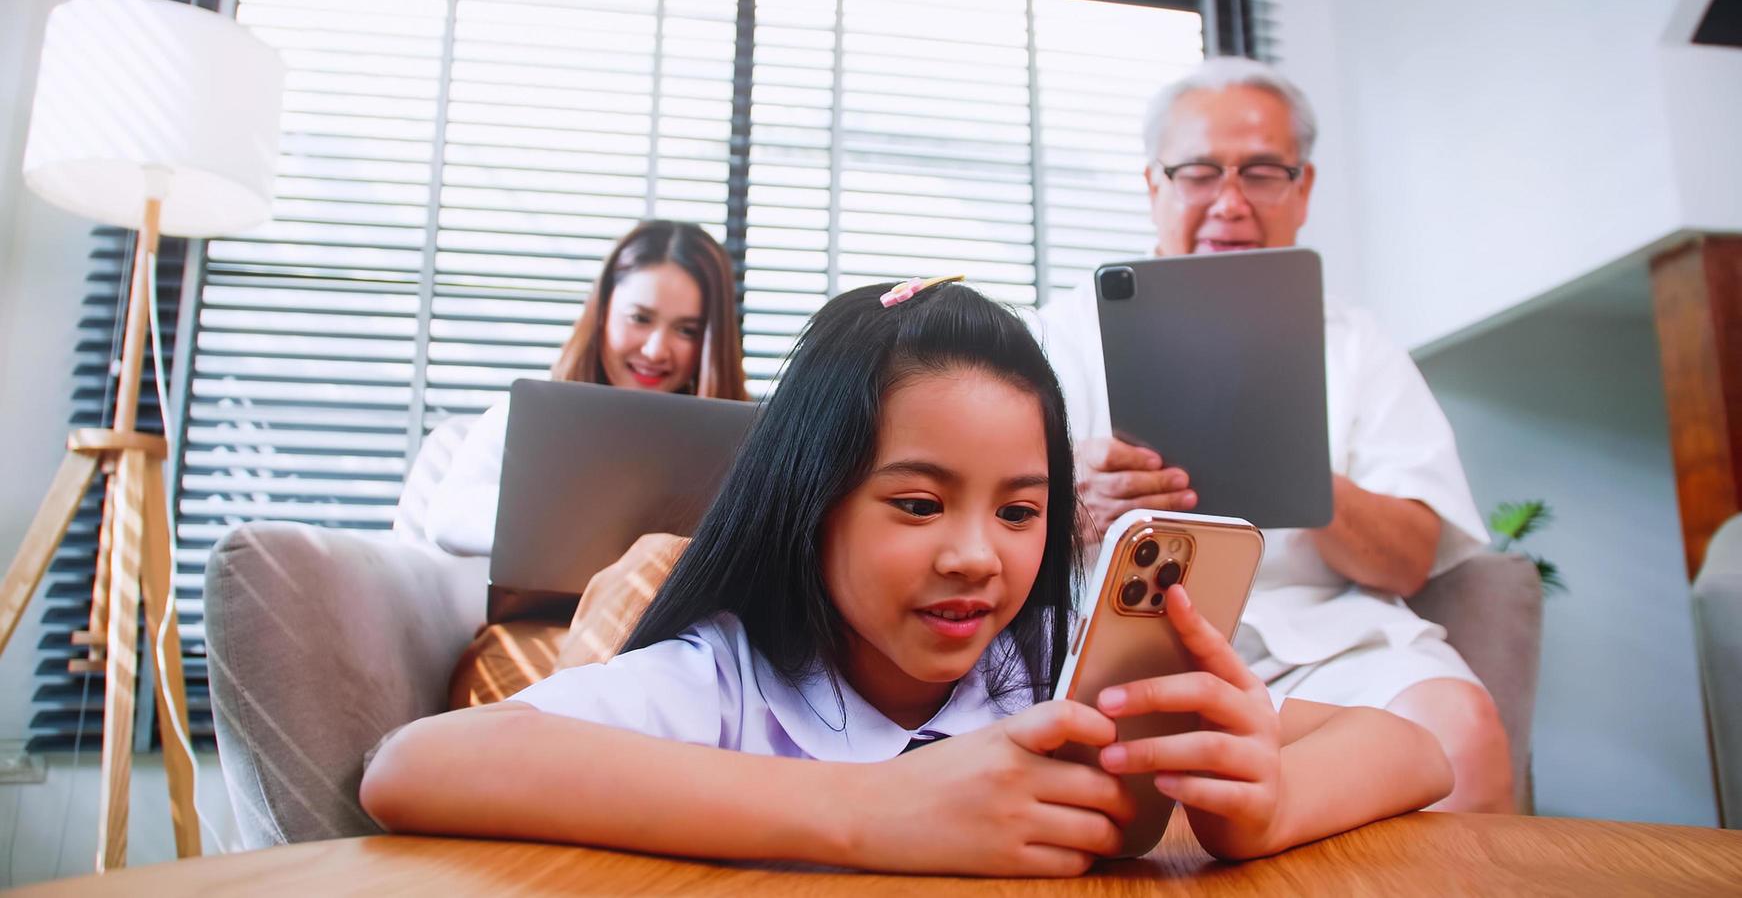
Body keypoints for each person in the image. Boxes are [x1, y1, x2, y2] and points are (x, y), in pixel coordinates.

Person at [362, 280, 1453, 874]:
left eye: (1021, 509)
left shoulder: (1047, 680)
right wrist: (867, 809)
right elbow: (414, 766)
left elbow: (1410, 741)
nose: (976, 554)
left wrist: (1265, 801)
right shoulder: (734, 682)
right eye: (917, 502)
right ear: (811, 499)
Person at [1036, 56, 1514, 814]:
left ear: (1304, 189)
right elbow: (977, 519)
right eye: (1199, 171)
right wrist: (1068, 502)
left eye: (1262, 172)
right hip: (1113, 645)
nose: (1230, 203)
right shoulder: (1053, 338)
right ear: (1153, 185)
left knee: (1461, 728)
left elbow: (1413, 556)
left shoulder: (1357, 343)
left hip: (1324, 650)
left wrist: (1297, 473)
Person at [423, 219, 750, 556]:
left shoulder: (747, 444)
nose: (655, 350)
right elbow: (447, 520)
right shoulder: (528, 417)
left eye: (686, 331)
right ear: (603, 312)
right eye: (640, 318)